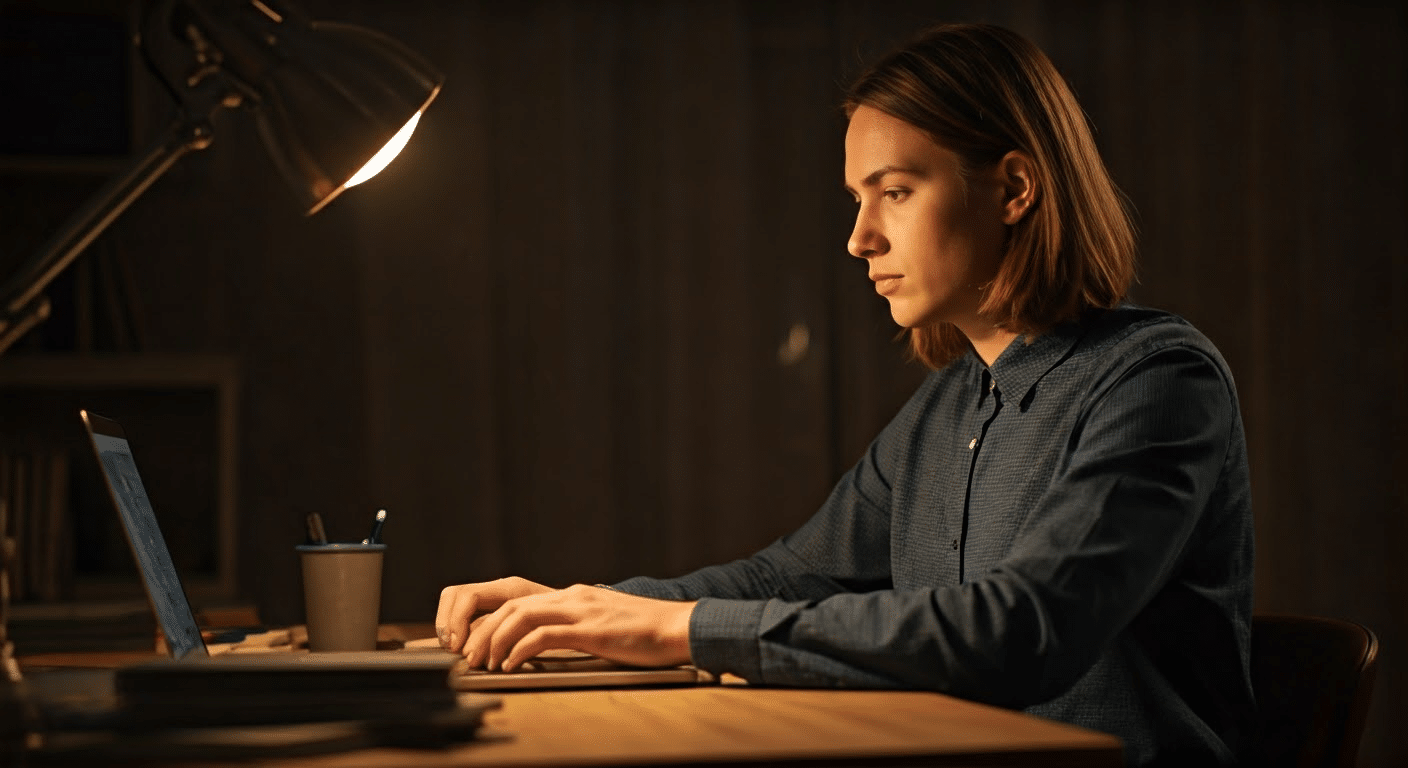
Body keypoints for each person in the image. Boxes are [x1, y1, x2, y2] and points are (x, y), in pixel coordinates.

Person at [435, 22, 1253, 767]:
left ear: (1013, 189)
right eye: (858, 199)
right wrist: (584, 608)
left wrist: (673, 630)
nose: (859, 238)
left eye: (894, 191)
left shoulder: (1157, 381)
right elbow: (784, 582)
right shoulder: (946, 408)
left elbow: (1019, 633)